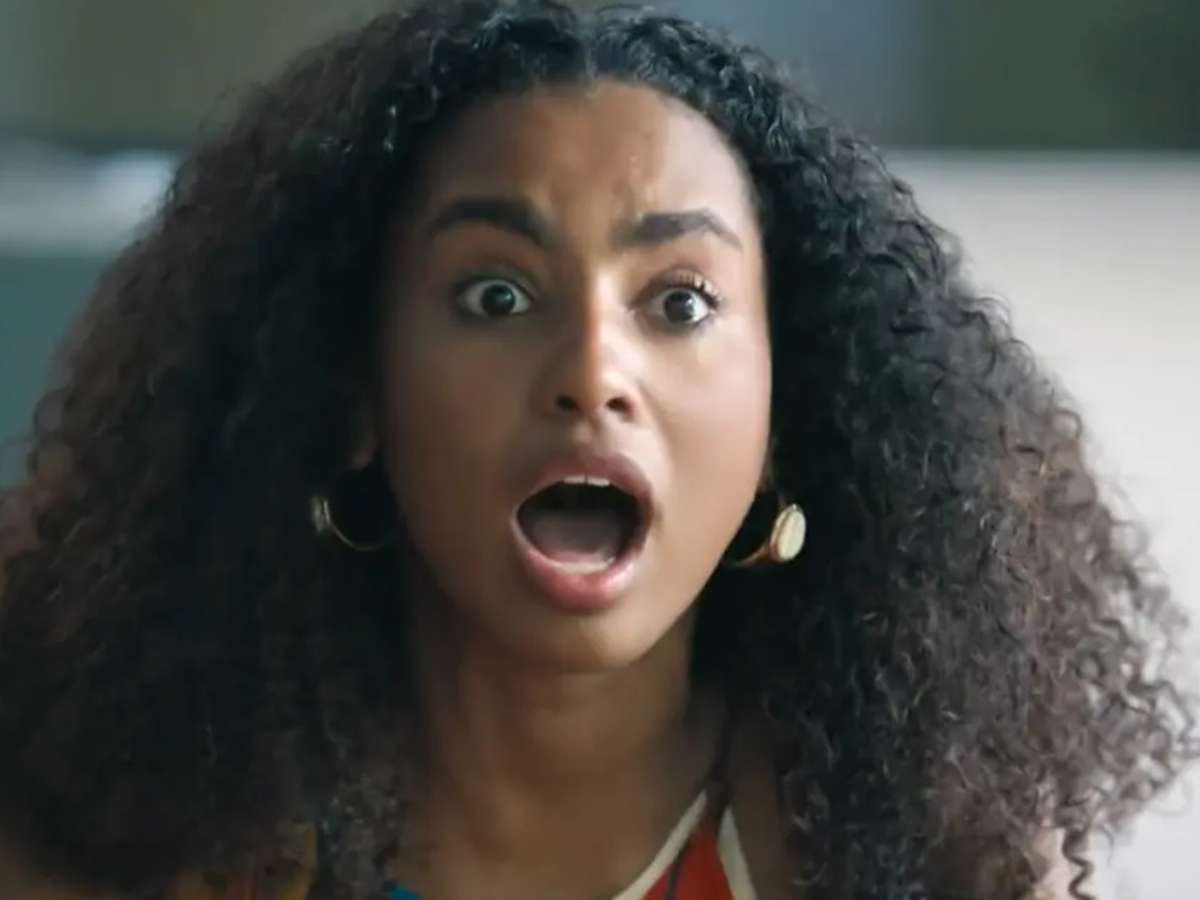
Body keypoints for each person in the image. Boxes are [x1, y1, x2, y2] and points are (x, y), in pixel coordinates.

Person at [0, 1, 1195, 897]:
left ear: (788, 419)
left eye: (679, 302)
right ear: (352, 394)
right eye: (496, 296)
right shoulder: (136, 837)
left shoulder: (922, 851)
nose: (591, 371)